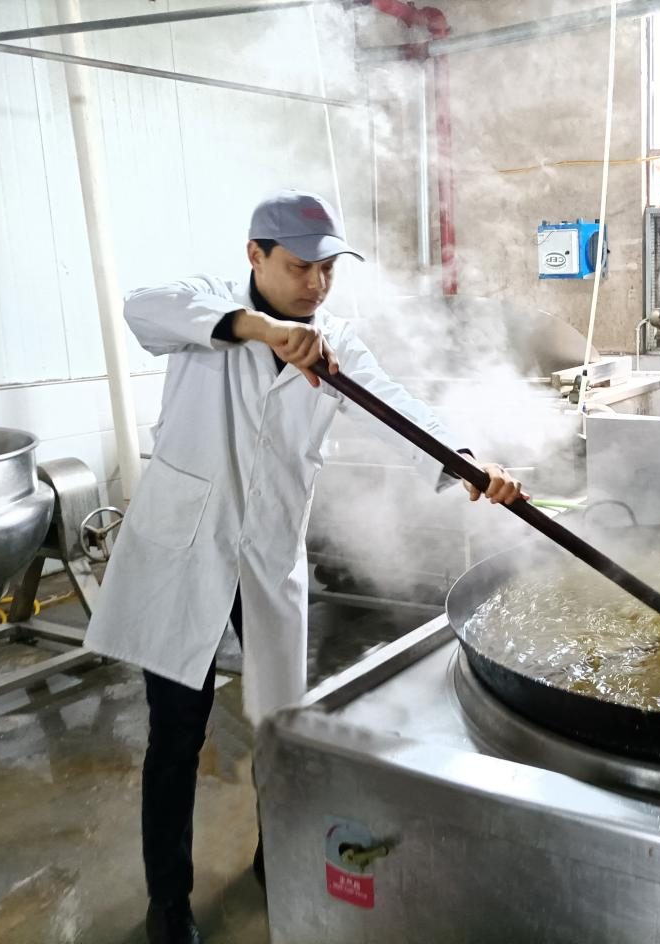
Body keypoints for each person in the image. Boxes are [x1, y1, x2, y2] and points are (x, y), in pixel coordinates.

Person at [84, 189, 523, 944]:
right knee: (177, 734)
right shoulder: (207, 304)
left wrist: (467, 463)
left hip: (267, 552)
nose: (315, 284)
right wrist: (262, 328)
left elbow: (396, 407)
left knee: (279, 724)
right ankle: (169, 902)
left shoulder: (337, 341)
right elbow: (142, 310)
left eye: (327, 270)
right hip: (186, 550)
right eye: (298, 267)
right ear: (255, 256)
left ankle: (276, 855)